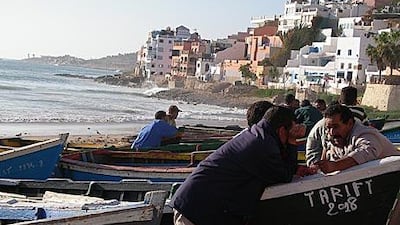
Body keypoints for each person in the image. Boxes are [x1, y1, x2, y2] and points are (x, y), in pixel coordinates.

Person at [170, 106, 306, 225]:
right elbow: (284, 175)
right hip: (197, 211)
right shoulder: (263, 145)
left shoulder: (258, 135)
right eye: (291, 130)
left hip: (200, 207)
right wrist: (293, 141)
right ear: (282, 130)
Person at [314, 104, 400, 173]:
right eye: (328, 128)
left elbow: (366, 151)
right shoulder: (334, 139)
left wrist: (336, 165)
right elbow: (329, 162)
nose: (332, 132)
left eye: (336, 127)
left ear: (350, 124)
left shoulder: (365, 134)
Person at [306, 86, 367, 166]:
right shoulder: (360, 113)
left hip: (315, 154)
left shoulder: (330, 117)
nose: (332, 130)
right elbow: (368, 128)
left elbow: (326, 144)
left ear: (339, 100)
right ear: (356, 101)